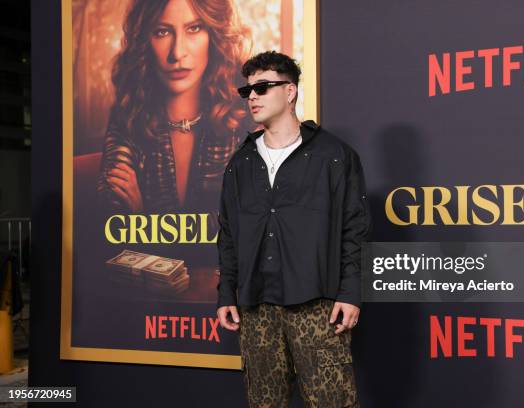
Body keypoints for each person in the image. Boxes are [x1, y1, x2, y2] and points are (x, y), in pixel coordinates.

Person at [216, 51, 372, 407]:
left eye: (263, 87)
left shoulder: (334, 155)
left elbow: (355, 228)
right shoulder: (240, 163)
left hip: (317, 302)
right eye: (248, 91)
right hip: (256, 306)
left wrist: (350, 293)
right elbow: (228, 234)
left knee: (332, 401)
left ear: (290, 92)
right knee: (263, 402)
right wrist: (227, 292)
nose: (252, 96)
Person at [97, 0, 250, 214]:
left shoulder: (249, 118)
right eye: (162, 32)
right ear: (144, 41)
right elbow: (113, 213)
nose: (177, 53)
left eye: (194, 28)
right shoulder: (128, 118)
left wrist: (143, 217)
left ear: (215, 34)